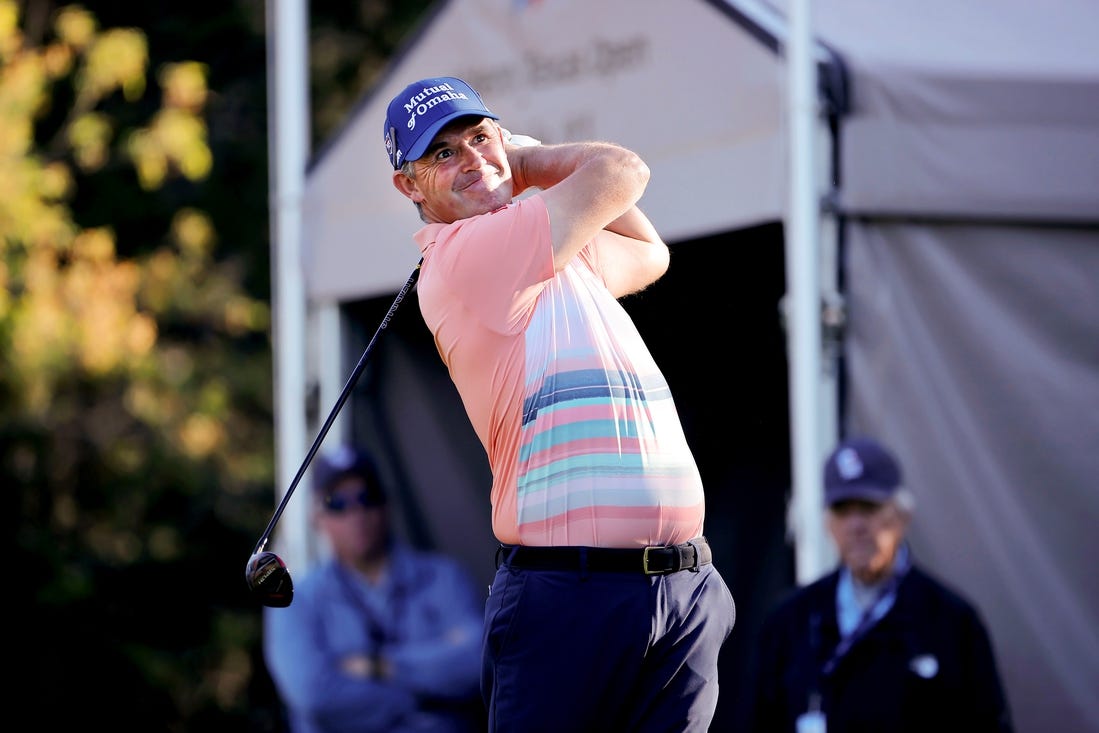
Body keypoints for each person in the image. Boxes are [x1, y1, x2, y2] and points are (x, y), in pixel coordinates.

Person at [383, 76, 736, 733]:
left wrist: (510, 162)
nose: (472, 159)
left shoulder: (549, 252)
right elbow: (623, 173)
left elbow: (649, 253)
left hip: (681, 586)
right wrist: (525, 160)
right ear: (411, 187)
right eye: (443, 154)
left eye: (479, 137)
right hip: (571, 595)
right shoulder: (468, 253)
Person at [746, 436, 1014, 732]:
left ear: (902, 516)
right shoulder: (791, 622)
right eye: (842, 510)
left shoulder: (952, 622)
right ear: (828, 524)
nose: (856, 525)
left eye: (868, 507)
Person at [263, 444, 485, 733]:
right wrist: (426, 696)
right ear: (317, 517)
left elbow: (478, 664)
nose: (357, 513)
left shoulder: (445, 577)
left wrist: (378, 667)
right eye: (337, 503)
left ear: (387, 504)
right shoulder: (296, 599)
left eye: (368, 497)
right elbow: (314, 696)